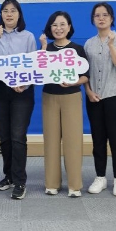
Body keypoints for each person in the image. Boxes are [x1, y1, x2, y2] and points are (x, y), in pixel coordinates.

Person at [0, 0, 37, 200]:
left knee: (18, 136)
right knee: (5, 137)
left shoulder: (28, 36)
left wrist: (24, 83)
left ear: (19, 14)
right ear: (1, 14)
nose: (9, 14)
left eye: (13, 11)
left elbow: (33, 64)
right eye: (5, 11)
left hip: (21, 91)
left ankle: (19, 181)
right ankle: (8, 176)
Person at [39, 11, 89, 198]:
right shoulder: (46, 49)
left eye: (62, 24)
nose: (58, 28)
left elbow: (86, 76)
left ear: (69, 27)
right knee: (51, 140)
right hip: (49, 97)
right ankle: (52, 183)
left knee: (73, 141)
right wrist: (43, 47)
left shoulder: (77, 49)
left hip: (71, 97)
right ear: (49, 28)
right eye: (54, 25)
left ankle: (74, 185)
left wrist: (74, 82)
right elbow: (38, 70)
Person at [84, 2, 116, 197]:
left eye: (105, 15)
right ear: (93, 19)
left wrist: (111, 45)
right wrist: (88, 91)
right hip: (94, 98)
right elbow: (84, 72)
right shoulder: (88, 44)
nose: (101, 18)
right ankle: (100, 177)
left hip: (115, 96)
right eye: (97, 15)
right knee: (98, 139)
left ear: (111, 18)